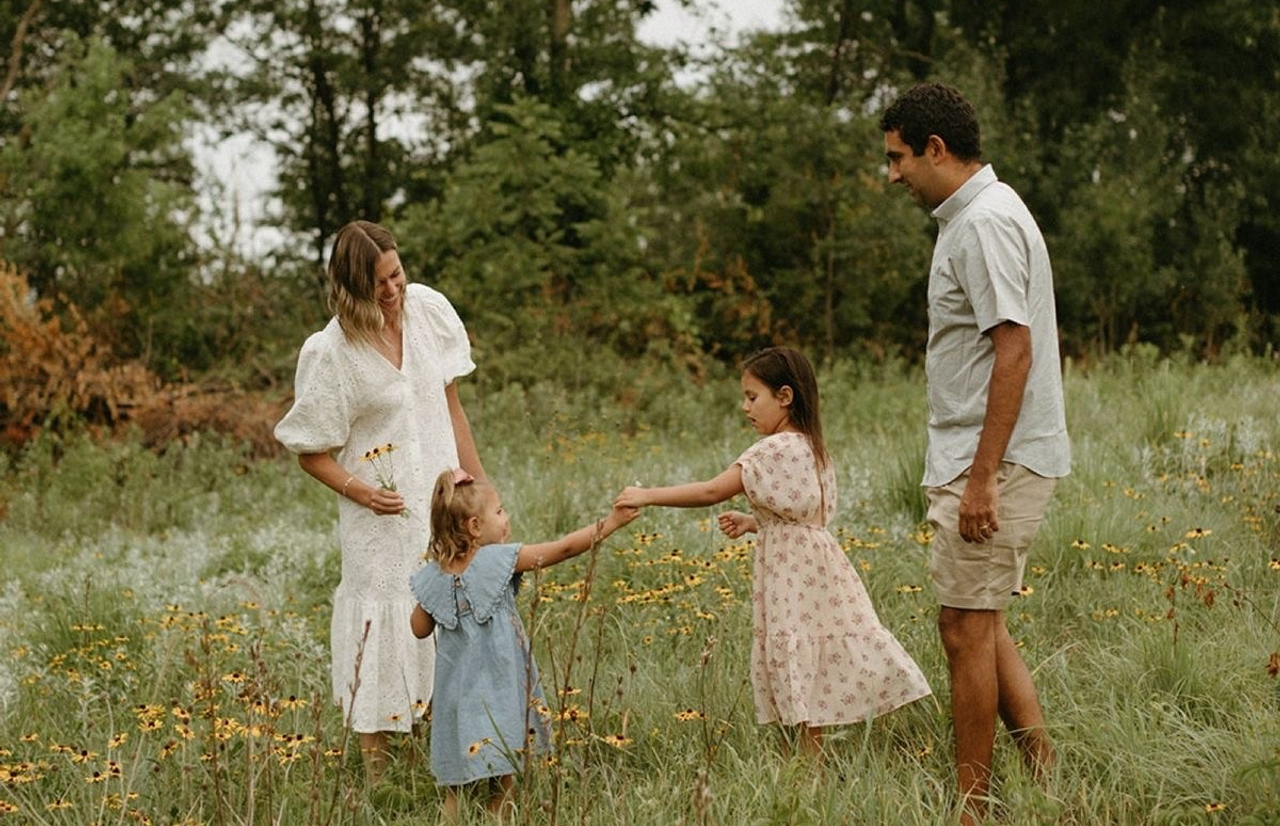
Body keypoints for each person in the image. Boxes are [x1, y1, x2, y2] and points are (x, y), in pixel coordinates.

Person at [879, 82, 1071, 824]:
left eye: (898, 158)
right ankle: (1045, 777)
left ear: (935, 149)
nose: (891, 174)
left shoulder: (984, 223)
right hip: (982, 454)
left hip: (995, 460)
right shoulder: (973, 216)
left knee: (962, 627)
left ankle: (972, 807)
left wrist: (983, 479)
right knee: (982, 622)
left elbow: (1014, 351)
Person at [615, 346, 931, 758]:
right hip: (819, 564)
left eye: (752, 397)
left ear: (785, 396)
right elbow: (801, 512)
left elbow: (712, 491)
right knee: (814, 648)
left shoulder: (772, 450)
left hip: (792, 573)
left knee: (795, 648)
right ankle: (810, 756)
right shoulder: (810, 446)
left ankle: (806, 762)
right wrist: (754, 522)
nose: (745, 407)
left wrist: (648, 495)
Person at [274, 220, 486, 781]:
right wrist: (364, 492)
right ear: (349, 288)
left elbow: (452, 410)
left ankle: (446, 759)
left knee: (449, 615)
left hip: (442, 502)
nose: (391, 291)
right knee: (385, 619)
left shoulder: (429, 312)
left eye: (395, 274)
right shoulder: (332, 352)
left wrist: (479, 492)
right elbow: (311, 451)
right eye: (377, 284)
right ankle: (380, 780)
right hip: (381, 521)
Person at [410, 469, 638, 819]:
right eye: (499, 511)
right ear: (474, 526)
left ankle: (452, 816)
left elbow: (419, 628)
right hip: (501, 680)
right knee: (507, 749)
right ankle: (497, 813)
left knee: (456, 776)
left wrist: (439, 594)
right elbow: (562, 549)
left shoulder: (435, 575)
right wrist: (611, 523)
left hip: (457, 689)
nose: (506, 518)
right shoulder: (498, 560)